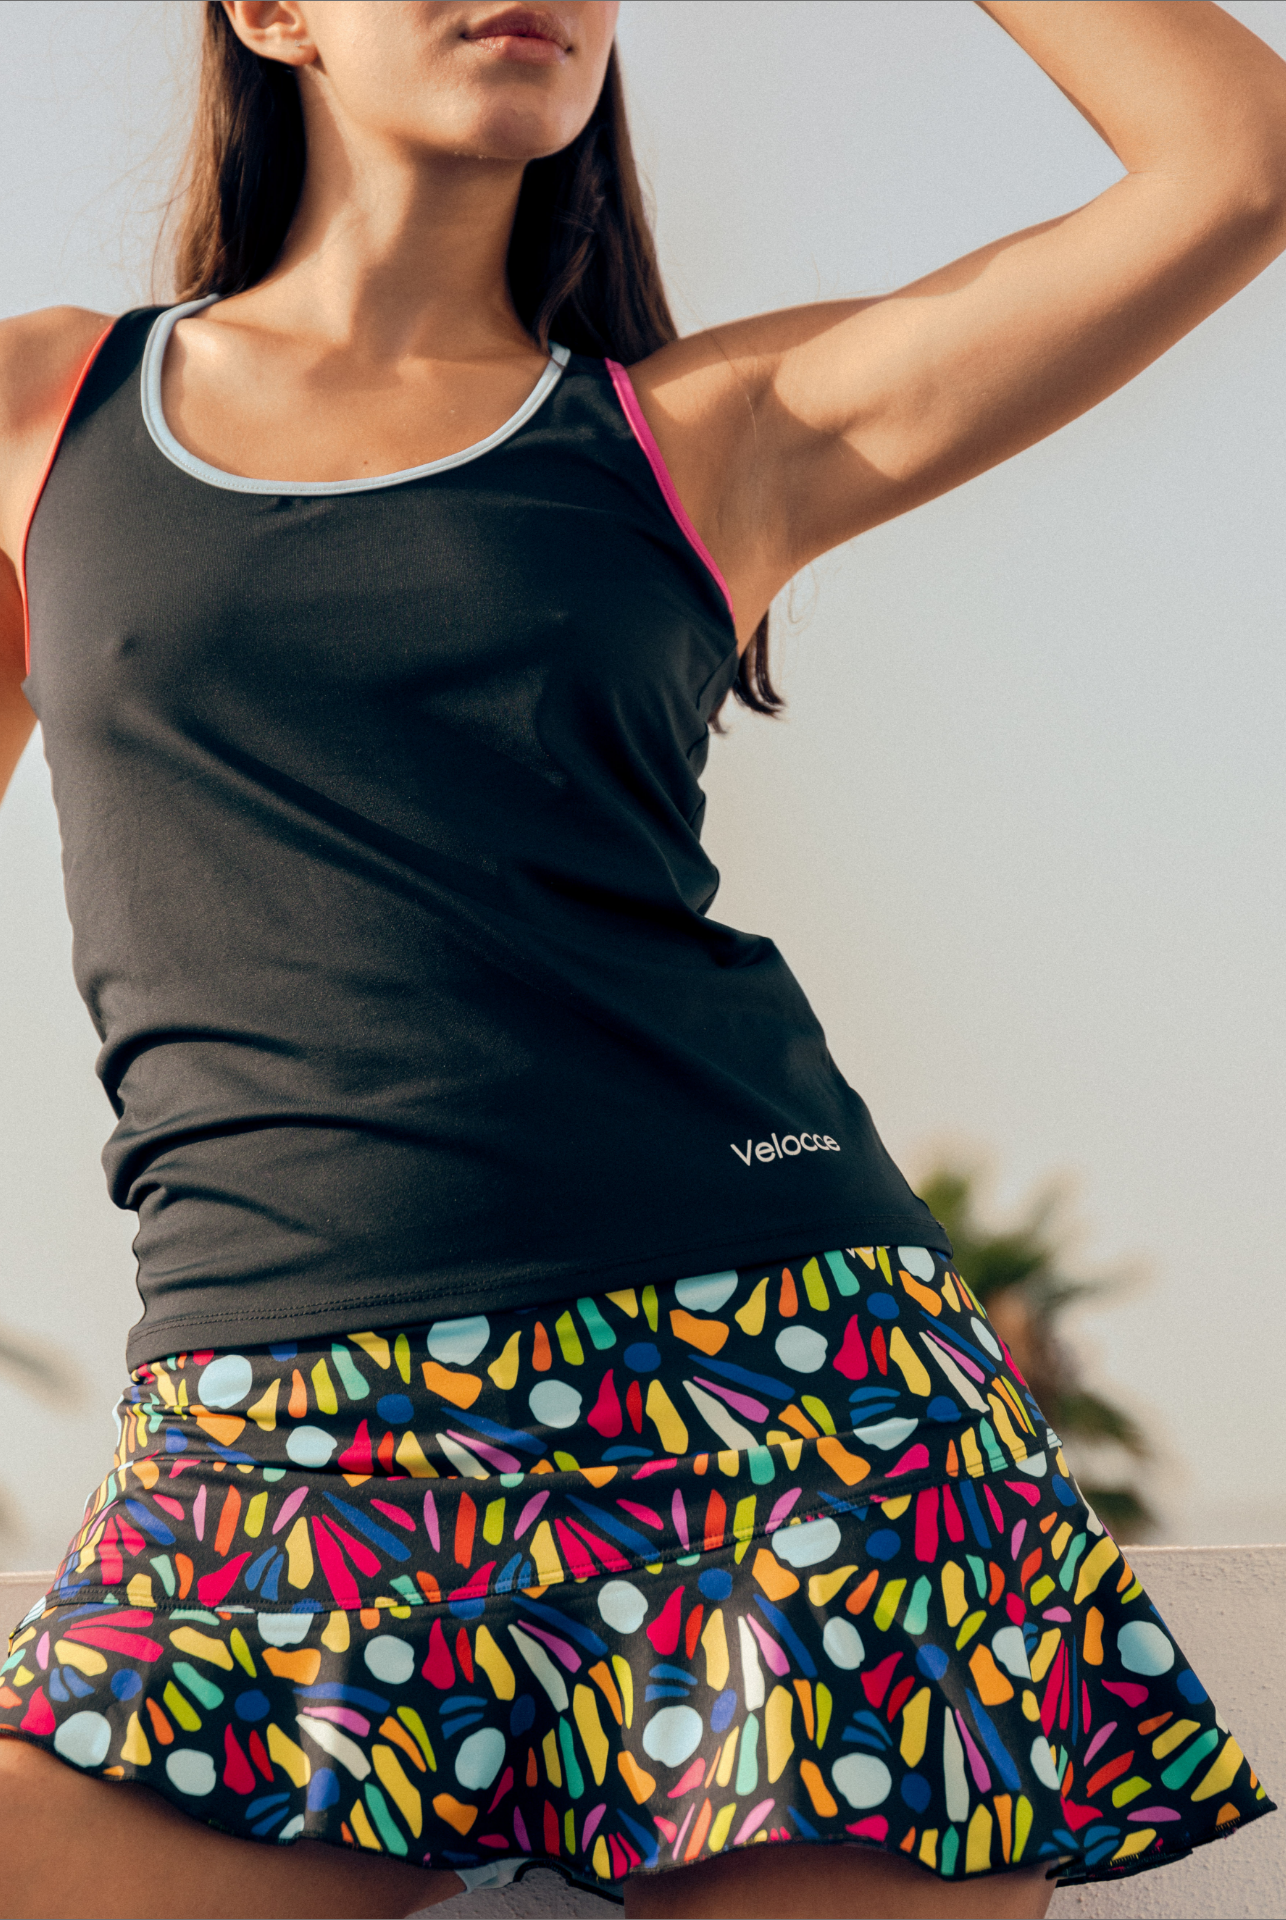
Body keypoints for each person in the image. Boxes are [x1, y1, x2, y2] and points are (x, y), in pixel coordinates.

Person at [0, 3, 1281, 1916]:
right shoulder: (45, 412)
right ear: (269, 12)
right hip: (279, 1431)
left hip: (785, 1407)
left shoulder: (702, 433)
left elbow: (1233, 163)